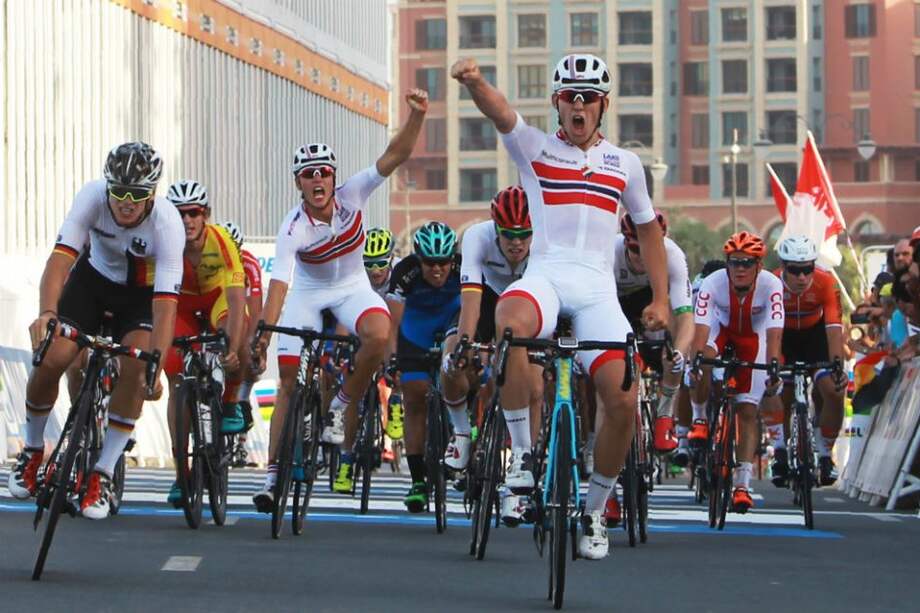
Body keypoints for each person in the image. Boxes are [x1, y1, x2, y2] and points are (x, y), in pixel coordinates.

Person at [452, 52, 670, 559]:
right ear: (556, 102)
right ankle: (525, 456)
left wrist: (660, 298)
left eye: (588, 98)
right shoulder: (536, 150)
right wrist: (475, 81)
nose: (578, 105)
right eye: (569, 97)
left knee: (623, 397)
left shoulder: (626, 164)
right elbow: (501, 112)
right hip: (546, 278)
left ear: (603, 105)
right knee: (510, 320)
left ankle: (594, 511)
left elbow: (648, 233)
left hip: (597, 292)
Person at [251, 89, 429, 509]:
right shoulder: (292, 227)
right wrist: (263, 336)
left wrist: (417, 115)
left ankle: (341, 403)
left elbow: (395, 155)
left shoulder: (353, 194)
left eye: (323, 173)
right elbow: (279, 285)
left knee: (380, 334)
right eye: (308, 175)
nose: (317, 180)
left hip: (352, 287)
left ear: (333, 178)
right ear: (298, 183)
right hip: (309, 295)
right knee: (290, 385)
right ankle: (273, 478)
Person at [9, 142, 183, 519]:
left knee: (136, 370)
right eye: (118, 191)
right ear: (107, 187)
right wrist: (47, 314)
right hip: (92, 284)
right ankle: (33, 449)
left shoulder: (168, 224)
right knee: (52, 354)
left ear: (152, 192)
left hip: (139, 298)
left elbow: (167, 302)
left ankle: (102, 473)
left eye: (136, 194)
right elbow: (59, 261)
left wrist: (157, 360)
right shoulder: (91, 197)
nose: (125, 201)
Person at [446, 185, 538, 525]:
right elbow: (470, 300)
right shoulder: (476, 237)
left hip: (528, 302)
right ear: (495, 228)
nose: (517, 243)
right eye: (509, 235)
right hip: (487, 299)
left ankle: (520, 471)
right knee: (451, 351)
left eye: (524, 234)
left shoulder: (546, 241)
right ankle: (460, 434)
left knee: (536, 384)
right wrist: (465, 342)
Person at [160, 181, 249, 505]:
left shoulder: (221, 240)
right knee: (175, 379)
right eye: (179, 214)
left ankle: (229, 401)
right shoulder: (163, 243)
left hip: (216, 301)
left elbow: (237, 300)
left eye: (193, 213)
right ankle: (181, 474)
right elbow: (154, 299)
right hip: (181, 305)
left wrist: (232, 349)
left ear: (206, 214)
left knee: (237, 331)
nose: (187, 220)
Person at [689, 231, 784, 514]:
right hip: (721, 330)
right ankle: (700, 419)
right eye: (734, 262)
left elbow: (774, 331)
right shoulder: (712, 283)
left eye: (746, 263)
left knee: (746, 410)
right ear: (727, 264)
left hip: (754, 337)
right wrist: (696, 362)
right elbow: (702, 329)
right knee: (702, 359)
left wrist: (774, 366)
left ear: (759, 266)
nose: (739, 269)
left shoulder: (771, 285)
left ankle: (742, 485)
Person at [386, 222, 462, 512]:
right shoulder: (405, 271)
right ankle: (418, 481)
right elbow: (392, 322)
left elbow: (476, 307)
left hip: (452, 326)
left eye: (443, 262)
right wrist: (391, 359)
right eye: (430, 263)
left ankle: (468, 437)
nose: (437, 269)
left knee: (468, 377)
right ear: (419, 259)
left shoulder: (462, 268)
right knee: (414, 396)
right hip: (415, 332)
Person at [765, 236, 847, 487]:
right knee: (777, 389)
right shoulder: (771, 283)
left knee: (832, 390)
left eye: (807, 269)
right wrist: (772, 368)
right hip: (782, 336)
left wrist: (837, 367)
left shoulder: (826, 282)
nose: (802, 277)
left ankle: (824, 455)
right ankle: (779, 450)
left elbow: (834, 328)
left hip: (815, 337)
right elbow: (769, 331)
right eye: (795, 270)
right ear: (783, 267)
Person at [614, 211, 693, 453]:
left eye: (649, 248)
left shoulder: (673, 256)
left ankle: (665, 416)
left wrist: (679, 353)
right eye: (636, 250)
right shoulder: (610, 253)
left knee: (676, 354)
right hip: (614, 302)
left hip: (656, 302)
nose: (642, 257)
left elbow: (686, 317)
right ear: (626, 243)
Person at [218, 220, 263, 434]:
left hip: (238, 309)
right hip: (217, 309)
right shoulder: (210, 255)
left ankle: (240, 398)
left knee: (246, 344)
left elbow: (254, 309)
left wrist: (254, 345)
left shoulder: (248, 263)